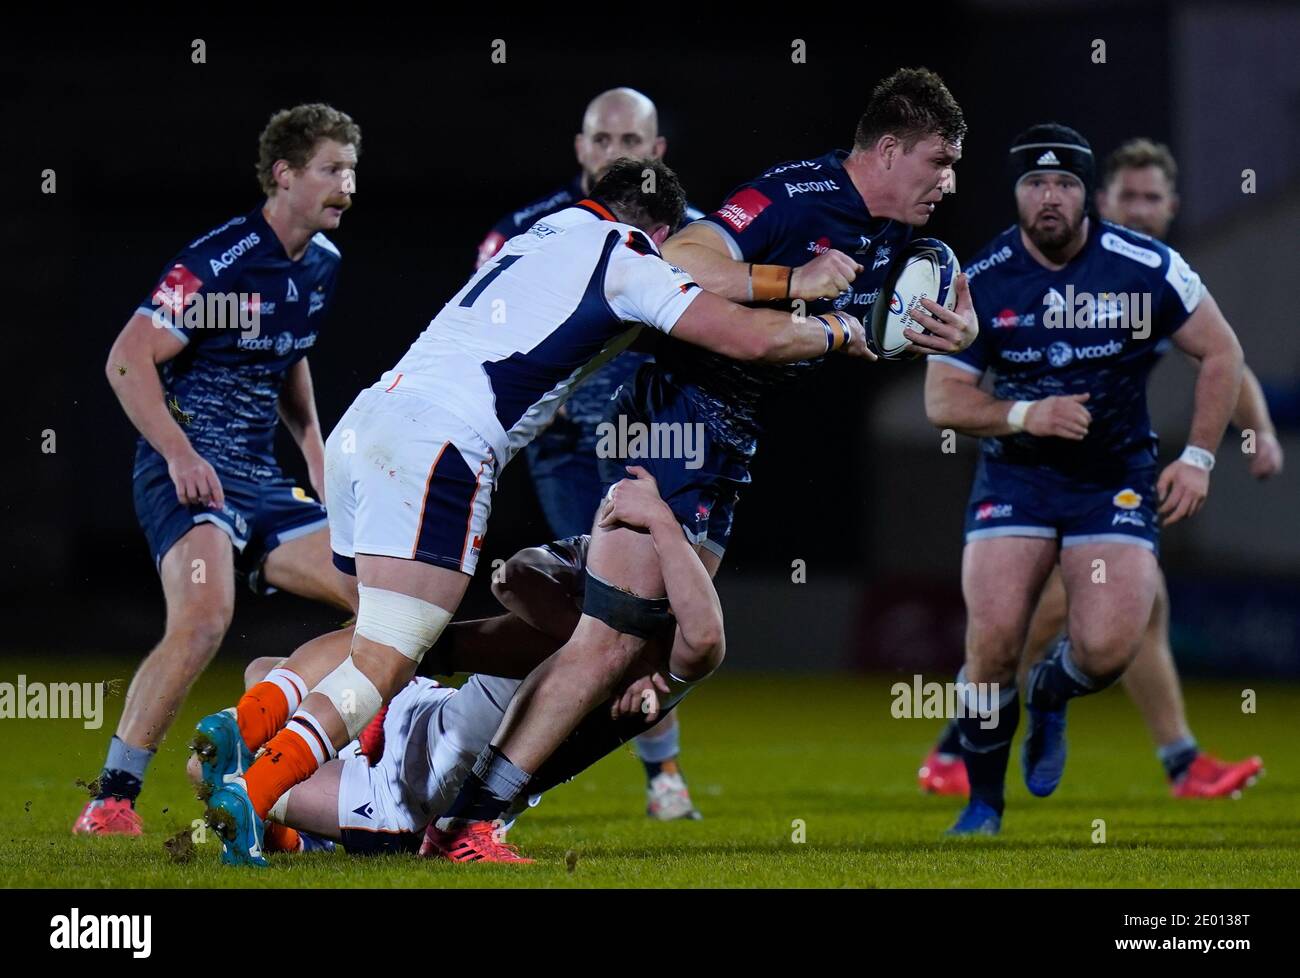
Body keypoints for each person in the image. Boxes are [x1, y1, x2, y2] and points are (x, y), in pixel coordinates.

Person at [200, 157, 873, 867]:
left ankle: (243, 728)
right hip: (441, 447)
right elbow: (745, 337)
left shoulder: (549, 228)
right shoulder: (632, 259)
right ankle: (256, 785)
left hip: (368, 422)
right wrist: (835, 329)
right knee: (386, 656)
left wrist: (788, 281)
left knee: (374, 631)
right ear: (665, 231)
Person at [438, 68, 978, 854]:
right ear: (889, 150)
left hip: (729, 444)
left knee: (655, 666)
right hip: (670, 422)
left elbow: (889, 318)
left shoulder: (896, 234)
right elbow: (685, 255)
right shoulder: (796, 193)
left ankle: (434, 669)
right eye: (940, 161)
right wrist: (792, 280)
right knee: (616, 644)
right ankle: (472, 816)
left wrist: (951, 339)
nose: (950, 182)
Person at [917, 138, 1272, 801]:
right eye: (1128, 197)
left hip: (1109, 481)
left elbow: (1225, 357)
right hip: (1026, 482)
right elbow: (942, 398)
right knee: (1037, 619)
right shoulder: (995, 273)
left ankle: (1177, 758)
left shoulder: (1147, 272)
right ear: (1106, 199)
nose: (1138, 209)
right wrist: (1026, 415)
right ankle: (961, 747)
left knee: (1136, 618)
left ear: (1170, 207)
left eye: (1151, 198)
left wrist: (1250, 436)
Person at [74, 104, 362, 836]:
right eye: (332, 169)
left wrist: (316, 450)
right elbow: (125, 358)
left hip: (262, 480)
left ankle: (288, 746)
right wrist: (178, 450)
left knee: (380, 604)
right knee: (205, 618)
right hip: (187, 471)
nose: (347, 186)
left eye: (352, 170)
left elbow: (288, 350)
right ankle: (111, 799)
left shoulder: (321, 265)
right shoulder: (218, 261)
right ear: (284, 175)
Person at [193, 468, 719, 862]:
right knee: (263, 667)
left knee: (205, 769)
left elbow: (705, 639)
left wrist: (661, 528)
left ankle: (294, 838)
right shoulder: (592, 608)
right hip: (422, 711)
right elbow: (511, 576)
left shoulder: (654, 670)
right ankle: (334, 756)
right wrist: (587, 615)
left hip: (408, 796)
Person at [476, 87, 705, 820]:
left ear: (656, 152)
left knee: (631, 613)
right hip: (562, 448)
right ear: (580, 148)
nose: (615, 154)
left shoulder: (687, 232)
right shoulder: (528, 230)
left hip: (646, 446)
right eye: (602, 141)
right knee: (594, 616)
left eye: (630, 142)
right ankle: (498, 758)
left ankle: (652, 772)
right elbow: (478, 330)